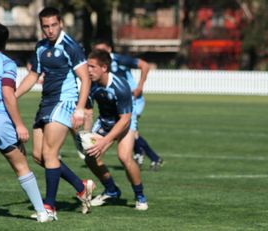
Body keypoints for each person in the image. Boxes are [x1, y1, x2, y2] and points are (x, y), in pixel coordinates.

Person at [15, 7, 94, 219]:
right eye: (46, 27)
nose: (50, 30)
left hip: (64, 102)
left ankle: (49, 207)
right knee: (39, 156)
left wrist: (79, 108)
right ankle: (81, 186)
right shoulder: (41, 47)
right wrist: (13, 96)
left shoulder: (71, 47)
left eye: (53, 25)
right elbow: (33, 76)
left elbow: (85, 78)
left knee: (50, 154)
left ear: (61, 24)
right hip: (46, 103)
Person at [0, 23, 52, 223]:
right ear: (5, 43)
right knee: (21, 167)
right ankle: (42, 212)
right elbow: (8, 94)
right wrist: (19, 124)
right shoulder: (6, 63)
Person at [83, 49, 148, 210]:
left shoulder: (120, 86)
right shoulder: (90, 84)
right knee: (90, 157)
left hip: (125, 120)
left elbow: (125, 120)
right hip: (105, 121)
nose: (88, 70)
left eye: (92, 67)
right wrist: (85, 133)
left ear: (104, 68)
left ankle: (140, 196)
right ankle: (111, 190)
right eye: (87, 66)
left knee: (124, 157)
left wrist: (105, 141)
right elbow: (89, 110)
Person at [92, 40, 163, 170]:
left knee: (130, 130)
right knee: (130, 131)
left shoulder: (119, 60)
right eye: (97, 51)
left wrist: (139, 87)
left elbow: (144, 65)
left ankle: (153, 157)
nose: (99, 54)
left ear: (109, 49)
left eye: (101, 51)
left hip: (131, 99)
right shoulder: (96, 68)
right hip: (117, 102)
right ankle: (143, 154)